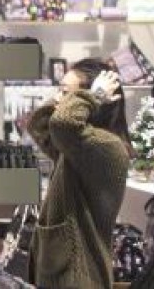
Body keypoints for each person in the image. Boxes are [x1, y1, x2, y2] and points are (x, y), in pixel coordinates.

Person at [25, 58, 132, 288]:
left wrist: (96, 97)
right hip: (61, 267)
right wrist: (62, 98)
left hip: (79, 274)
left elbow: (62, 123)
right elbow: (39, 127)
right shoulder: (77, 144)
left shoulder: (107, 146)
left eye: (66, 92)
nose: (59, 100)